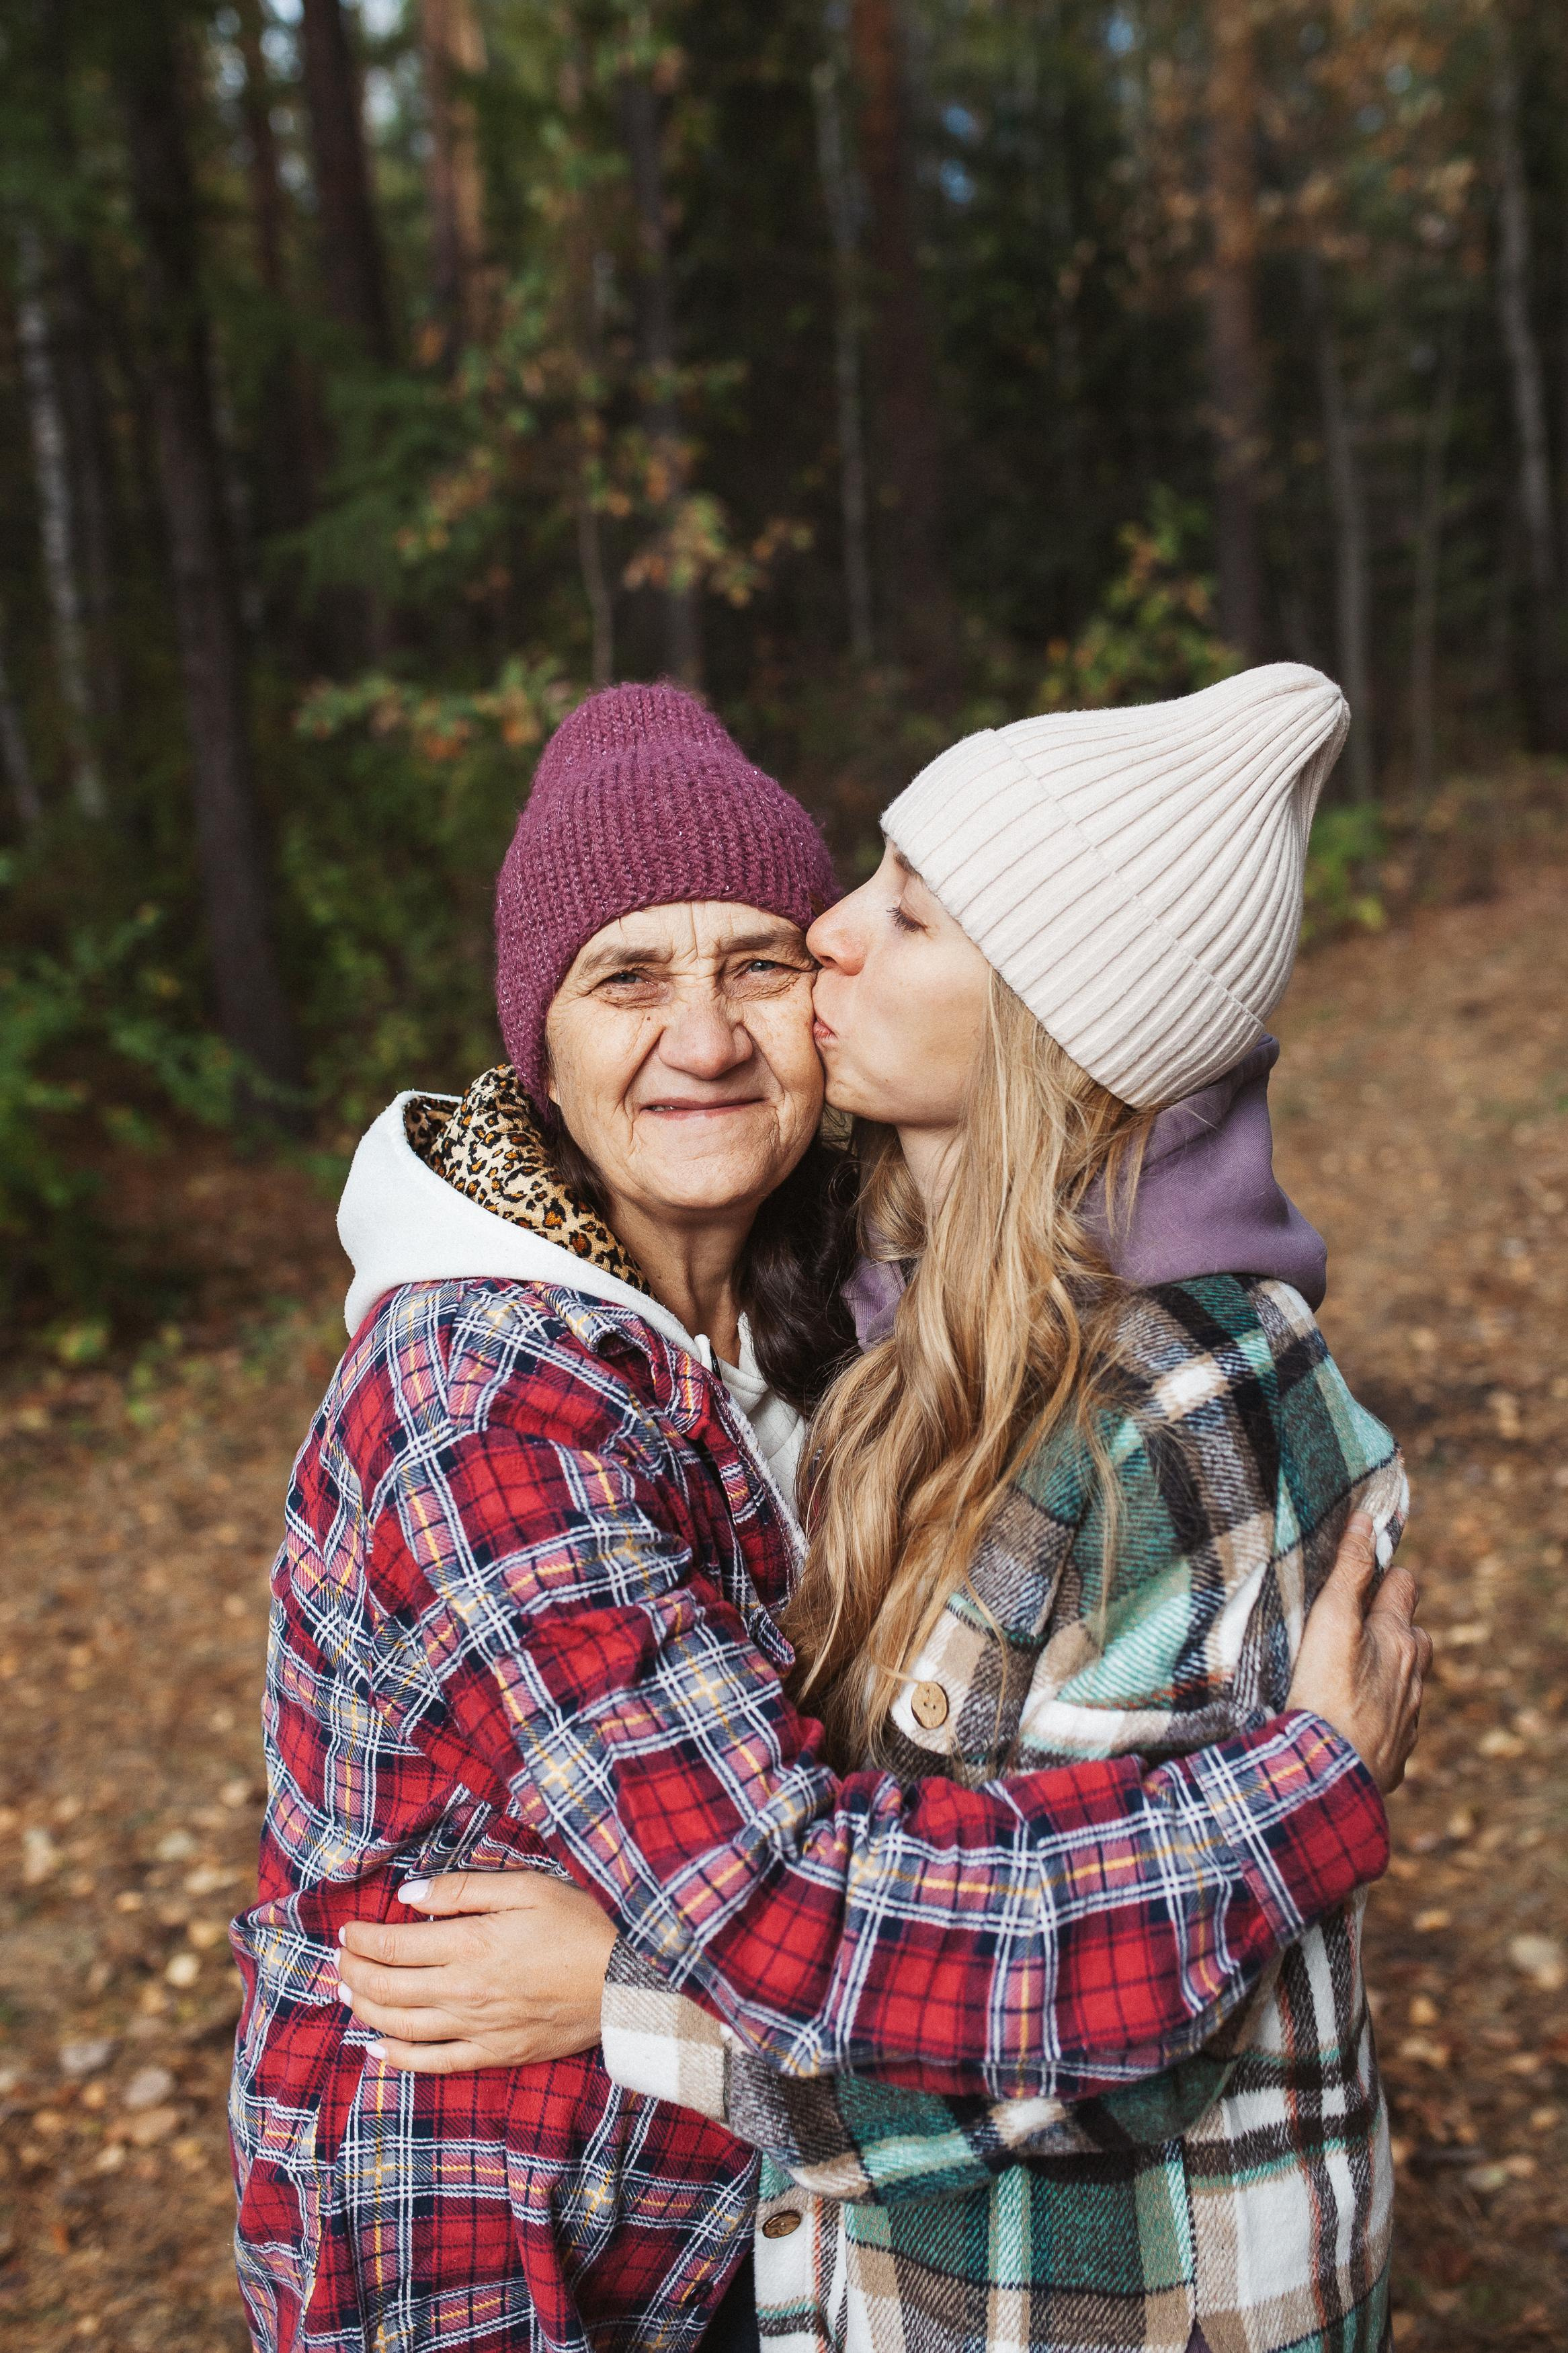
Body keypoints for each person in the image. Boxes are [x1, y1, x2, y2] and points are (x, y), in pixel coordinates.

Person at [234, 682, 1423, 2353]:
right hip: (493, 2255)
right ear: (540, 1041)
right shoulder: (488, 1401)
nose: (707, 1036)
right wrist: (1306, 1799)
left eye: (761, 963)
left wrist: (622, 1994)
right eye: (627, 977)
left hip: (754, 2233)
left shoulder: (833, 1325)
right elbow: (783, 1902)